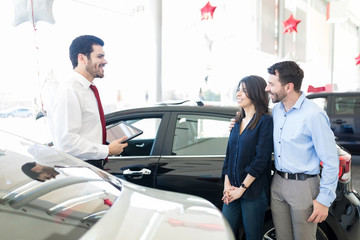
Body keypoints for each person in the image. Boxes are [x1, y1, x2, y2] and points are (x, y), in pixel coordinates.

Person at [265, 61, 339, 240]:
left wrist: (324, 200)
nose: (267, 88)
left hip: (303, 187)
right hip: (278, 183)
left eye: (272, 84)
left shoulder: (314, 115)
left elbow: (331, 160)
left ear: (288, 86)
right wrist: (236, 124)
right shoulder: (277, 111)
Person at [46, 35, 127, 169]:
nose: (105, 61)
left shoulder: (88, 90)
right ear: (82, 58)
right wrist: (107, 150)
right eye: (99, 56)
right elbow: (67, 143)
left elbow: (87, 132)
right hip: (79, 169)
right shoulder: (69, 91)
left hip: (91, 166)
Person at [222, 75, 273, 240]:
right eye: (238, 89)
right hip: (233, 189)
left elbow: (261, 160)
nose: (238, 93)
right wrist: (227, 186)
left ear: (256, 93)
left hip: (253, 191)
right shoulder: (237, 121)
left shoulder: (265, 122)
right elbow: (229, 156)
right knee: (225, 232)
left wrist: (241, 189)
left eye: (244, 90)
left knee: (252, 236)